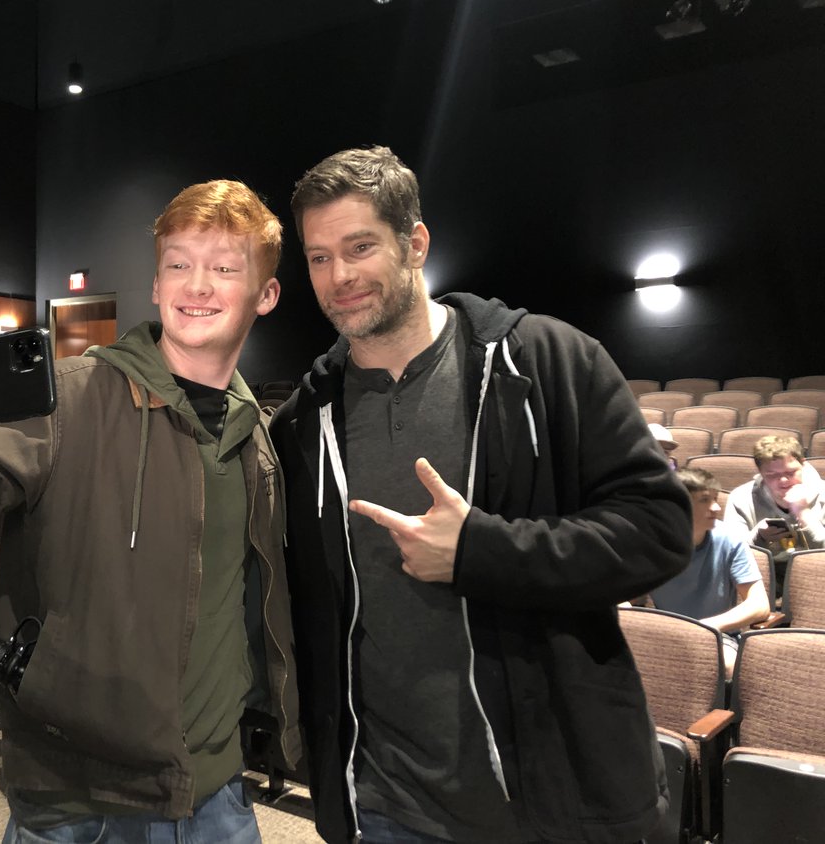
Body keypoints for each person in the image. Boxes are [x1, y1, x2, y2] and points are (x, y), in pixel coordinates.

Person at [0, 180, 301, 843]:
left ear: (266, 295)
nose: (197, 285)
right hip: (75, 806)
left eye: (225, 268)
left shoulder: (256, 437)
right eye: (179, 263)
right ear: (155, 283)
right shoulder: (68, 401)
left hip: (214, 798)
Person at [269, 145, 692, 844]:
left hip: (547, 804)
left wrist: (482, 551)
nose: (338, 276)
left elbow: (658, 528)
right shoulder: (303, 423)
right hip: (382, 805)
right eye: (318, 257)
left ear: (416, 243)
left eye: (359, 247)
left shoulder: (547, 363)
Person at [647, 467, 769, 677]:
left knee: (727, 665)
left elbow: (759, 606)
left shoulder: (729, 538)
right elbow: (623, 598)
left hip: (716, 634)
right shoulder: (649, 542)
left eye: (715, 498)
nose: (715, 507)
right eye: (705, 500)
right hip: (661, 635)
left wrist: (704, 627)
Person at [724, 434, 825, 553]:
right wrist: (758, 536)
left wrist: (804, 514)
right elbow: (729, 552)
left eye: (791, 472)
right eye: (773, 475)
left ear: (802, 464)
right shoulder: (740, 498)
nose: (783, 481)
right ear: (760, 472)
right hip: (761, 570)